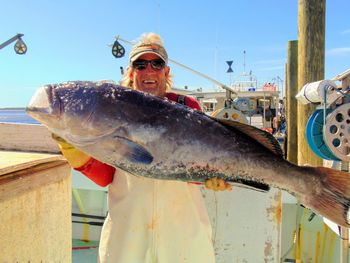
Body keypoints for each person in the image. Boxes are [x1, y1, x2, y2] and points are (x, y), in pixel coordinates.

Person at [54, 32, 231, 263]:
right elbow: (108, 175)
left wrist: (212, 174)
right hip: (127, 234)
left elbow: (193, 170)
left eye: (156, 64)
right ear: (130, 72)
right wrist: (73, 152)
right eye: (140, 64)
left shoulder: (186, 106)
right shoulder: (112, 109)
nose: (149, 70)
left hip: (184, 234)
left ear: (166, 72)